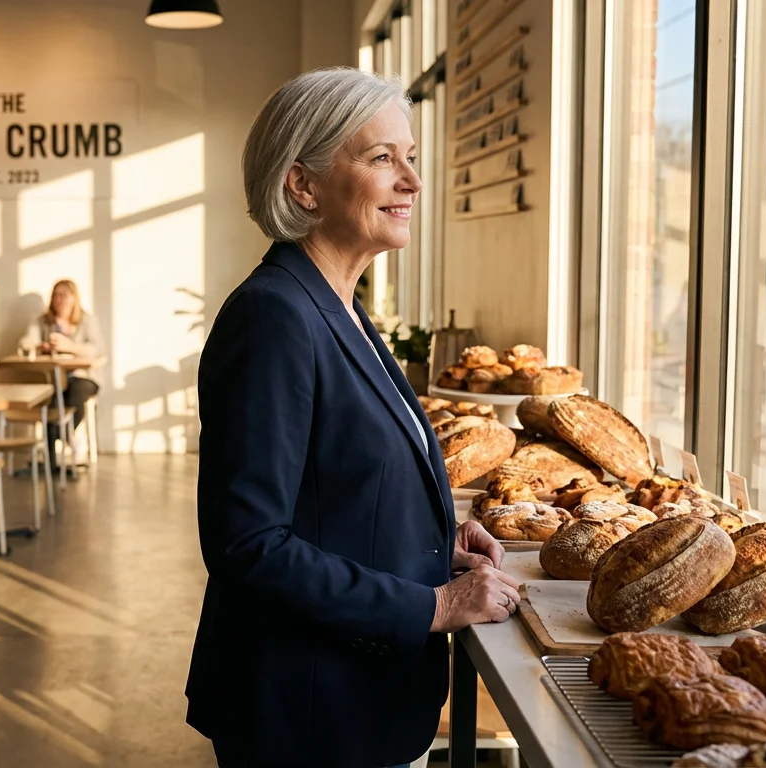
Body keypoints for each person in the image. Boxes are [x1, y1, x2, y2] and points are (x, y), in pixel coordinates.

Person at [186, 68, 522, 768]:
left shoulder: (338, 304)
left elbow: (331, 488)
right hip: (308, 714)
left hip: (359, 700)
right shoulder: (273, 316)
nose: (412, 181)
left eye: (410, 158)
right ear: (302, 185)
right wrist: (433, 606)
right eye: (380, 158)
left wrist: (432, 546)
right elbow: (249, 546)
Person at [20, 279, 103, 472]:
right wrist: (40, 347)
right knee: (50, 400)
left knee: (75, 393)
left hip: (83, 377)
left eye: (64, 295)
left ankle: (62, 433)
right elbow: (25, 343)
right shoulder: (42, 321)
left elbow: (97, 350)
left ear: (74, 298)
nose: (59, 299)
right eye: (56, 295)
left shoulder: (86, 321)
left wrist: (70, 347)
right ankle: (51, 462)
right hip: (54, 378)